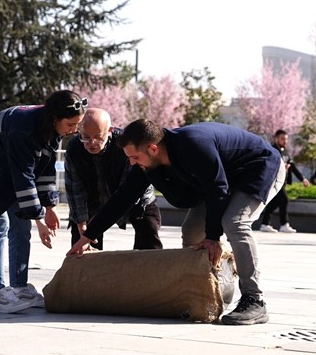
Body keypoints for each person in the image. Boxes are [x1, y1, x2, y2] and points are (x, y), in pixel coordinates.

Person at [68, 119, 286, 326]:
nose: (132, 163)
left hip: (259, 167)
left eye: (134, 157)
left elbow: (217, 190)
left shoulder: (193, 145)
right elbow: (122, 197)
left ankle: (254, 299)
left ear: (152, 149)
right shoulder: (149, 163)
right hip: (221, 180)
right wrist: (88, 236)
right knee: (191, 231)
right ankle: (207, 288)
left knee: (234, 222)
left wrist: (212, 237)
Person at [0, 90, 87, 313]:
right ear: (55, 118)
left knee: (21, 225)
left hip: (6, 170)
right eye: (71, 124)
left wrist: (50, 207)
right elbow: (24, 177)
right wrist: (40, 220)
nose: (74, 130)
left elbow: (44, 169)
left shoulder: (50, 128)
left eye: (77, 124)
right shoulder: (22, 129)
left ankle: (20, 287)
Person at [64, 108, 162, 251]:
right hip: (93, 200)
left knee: (148, 231)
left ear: (110, 130)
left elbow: (128, 192)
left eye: (98, 137)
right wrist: (81, 223)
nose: (91, 142)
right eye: (86, 136)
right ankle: (86, 272)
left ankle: (150, 271)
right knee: (81, 240)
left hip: (134, 197)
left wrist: (100, 223)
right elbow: (75, 189)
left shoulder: (126, 144)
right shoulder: (74, 149)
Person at [257, 129, 309, 233]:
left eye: (286, 139)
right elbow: (267, 165)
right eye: (282, 139)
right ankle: (284, 224)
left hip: (283, 182)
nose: (284, 141)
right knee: (284, 200)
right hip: (274, 181)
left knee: (275, 203)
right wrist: (280, 167)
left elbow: (293, 167)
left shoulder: (285, 152)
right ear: (276, 139)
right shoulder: (272, 150)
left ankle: (265, 223)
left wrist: (302, 178)